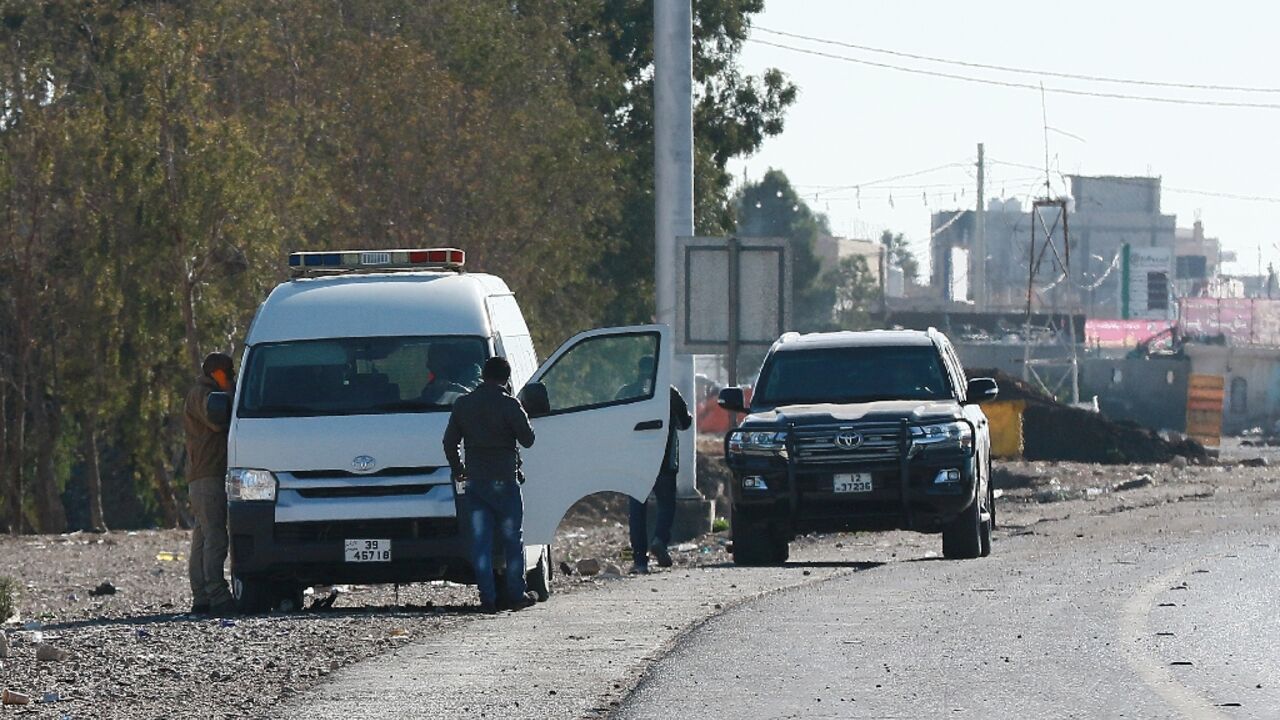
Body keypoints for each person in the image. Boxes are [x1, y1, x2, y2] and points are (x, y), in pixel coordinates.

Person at [443, 356, 537, 613]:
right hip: (505, 480)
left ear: (483, 375)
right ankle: (516, 594)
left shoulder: (463, 404)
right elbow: (528, 440)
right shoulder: (510, 404)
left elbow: (449, 443)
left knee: (481, 543)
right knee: (511, 540)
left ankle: (488, 598)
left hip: (476, 482)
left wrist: (458, 469)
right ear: (506, 379)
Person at [620, 357, 693, 574]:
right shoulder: (669, 392)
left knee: (637, 511)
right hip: (664, 460)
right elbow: (685, 422)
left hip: (635, 462)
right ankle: (660, 539)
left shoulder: (627, 392)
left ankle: (640, 561)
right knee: (666, 504)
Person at [185, 352, 236, 616]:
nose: (231, 378)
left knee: (203, 538)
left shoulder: (202, 391)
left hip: (204, 475)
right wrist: (233, 394)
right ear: (218, 373)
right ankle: (217, 595)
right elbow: (216, 419)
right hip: (208, 476)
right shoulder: (203, 394)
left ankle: (202, 598)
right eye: (229, 374)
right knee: (215, 537)